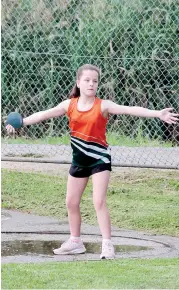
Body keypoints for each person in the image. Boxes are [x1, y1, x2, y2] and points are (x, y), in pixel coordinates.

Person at [6, 64, 179, 259]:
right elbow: (44, 114)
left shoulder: (103, 105)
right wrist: (23, 121)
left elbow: (130, 109)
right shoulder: (68, 105)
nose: (91, 84)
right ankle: (75, 242)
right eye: (87, 80)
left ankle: (107, 244)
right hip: (79, 159)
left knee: (99, 200)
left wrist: (158, 113)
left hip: (99, 158)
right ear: (78, 82)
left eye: (95, 81)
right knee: (71, 202)